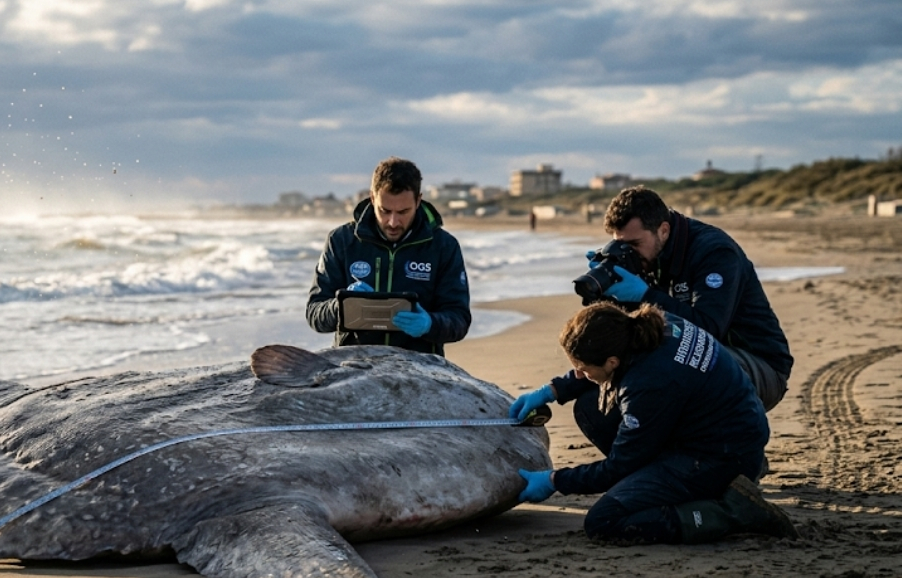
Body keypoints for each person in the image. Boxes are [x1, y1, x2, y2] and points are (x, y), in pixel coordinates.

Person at [508, 302, 798, 544]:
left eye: (583, 370)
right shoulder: (655, 325)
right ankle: (658, 483)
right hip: (723, 430)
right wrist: (553, 390)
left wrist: (554, 481)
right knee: (589, 406)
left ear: (611, 362)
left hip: (722, 457)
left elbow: (619, 466)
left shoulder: (648, 385)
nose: (580, 374)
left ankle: (732, 510)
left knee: (605, 521)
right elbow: (596, 365)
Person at [587, 186, 791, 412]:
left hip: (758, 366)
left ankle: (718, 442)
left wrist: (645, 296)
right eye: (622, 245)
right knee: (595, 401)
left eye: (634, 244)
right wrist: (609, 299)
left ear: (663, 230)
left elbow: (708, 329)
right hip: (697, 359)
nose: (630, 252)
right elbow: (634, 333)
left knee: (668, 367)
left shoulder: (714, 252)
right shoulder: (647, 258)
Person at [306, 157, 471, 357]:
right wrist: (342, 306)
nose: (393, 222)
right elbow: (314, 314)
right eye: (385, 211)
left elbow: (459, 320)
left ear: (418, 201)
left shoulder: (444, 246)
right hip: (354, 365)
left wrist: (430, 324)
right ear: (373, 198)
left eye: (403, 212)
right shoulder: (341, 240)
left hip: (420, 366)